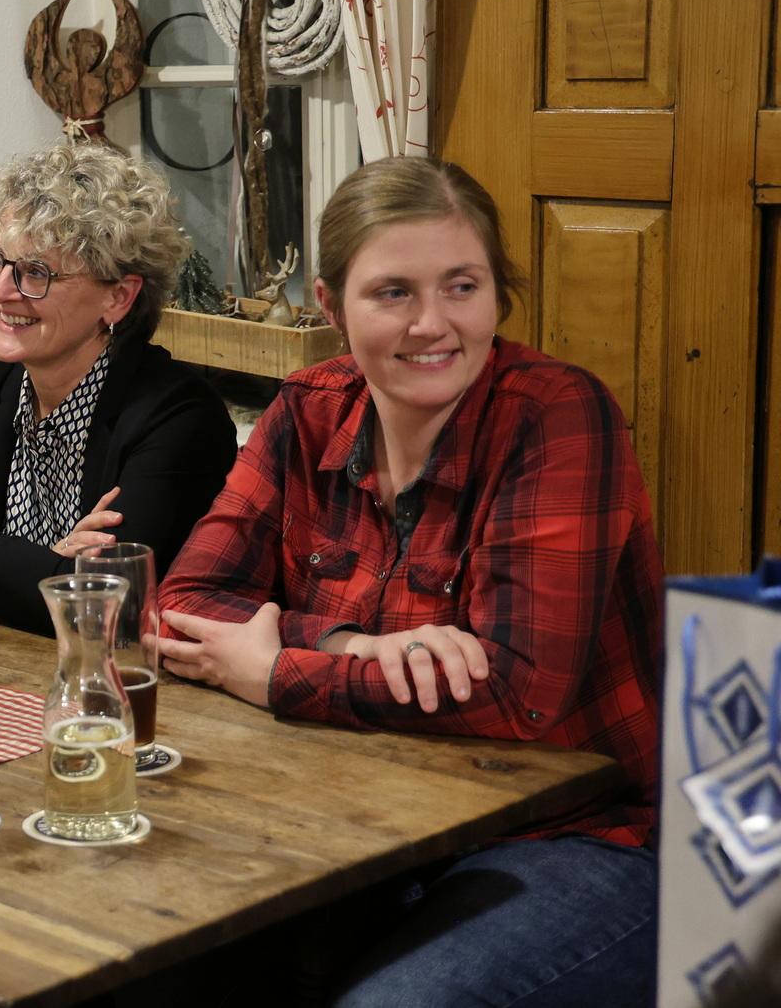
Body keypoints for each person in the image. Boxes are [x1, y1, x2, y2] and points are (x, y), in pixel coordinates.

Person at [155, 157, 661, 1006]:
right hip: (367, 825)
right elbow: (181, 610)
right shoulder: (307, 408)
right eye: (394, 292)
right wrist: (352, 644)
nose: (433, 324)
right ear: (330, 305)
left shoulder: (558, 415)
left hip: (578, 838)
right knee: (147, 961)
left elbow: (518, 693)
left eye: (462, 286)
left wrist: (276, 668)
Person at [0, 141, 235, 634]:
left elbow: (107, 612)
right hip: (1, 668)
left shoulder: (179, 417)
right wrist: (45, 572)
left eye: (35, 273)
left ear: (119, 297)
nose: (0, 291)